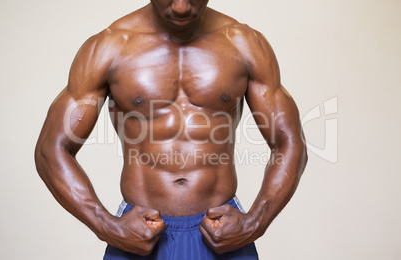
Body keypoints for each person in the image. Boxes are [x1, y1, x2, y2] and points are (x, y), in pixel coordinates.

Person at [35, 0, 308, 259]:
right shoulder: (109, 47)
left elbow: (289, 141)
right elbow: (52, 149)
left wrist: (255, 223)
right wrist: (108, 227)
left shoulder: (244, 44)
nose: (180, 7)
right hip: (139, 236)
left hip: (222, 233)